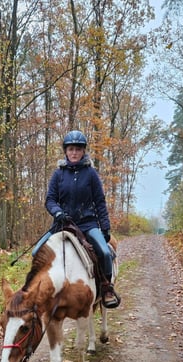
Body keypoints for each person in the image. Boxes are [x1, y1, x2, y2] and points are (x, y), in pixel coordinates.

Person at [45, 130, 121, 308]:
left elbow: (100, 202)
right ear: (66, 151)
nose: (74, 153)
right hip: (63, 224)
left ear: (83, 151)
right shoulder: (58, 174)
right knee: (38, 252)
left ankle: (106, 288)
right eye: (71, 149)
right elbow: (50, 199)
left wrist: (105, 227)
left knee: (103, 251)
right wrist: (57, 212)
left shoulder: (91, 174)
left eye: (78, 149)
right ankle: (39, 291)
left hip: (87, 224)